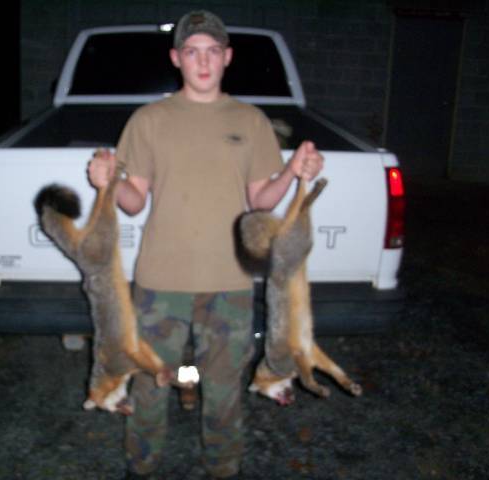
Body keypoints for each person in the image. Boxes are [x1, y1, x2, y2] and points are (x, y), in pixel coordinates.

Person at [87, 10, 323, 479]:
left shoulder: (250, 121)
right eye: (192, 51)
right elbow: (133, 202)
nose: (203, 61)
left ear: (227, 57)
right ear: (176, 58)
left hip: (229, 282)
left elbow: (261, 199)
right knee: (150, 386)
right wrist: (107, 183)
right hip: (159, 282)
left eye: (213, 51)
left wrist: (292, 172)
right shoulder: (149, 120)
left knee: (223, 389)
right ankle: (141, 466)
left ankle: (223, 468)